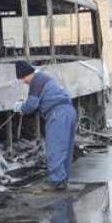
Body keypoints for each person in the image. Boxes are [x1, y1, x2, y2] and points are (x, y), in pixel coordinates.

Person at [15, 61, 79, 191]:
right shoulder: (44, 79)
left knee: (55, 148)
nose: (23, 82)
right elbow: (41, 101)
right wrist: (26, 103)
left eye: (22, 78)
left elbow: (31, 106)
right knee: (65, 148)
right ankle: (62, 179)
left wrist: (19, 107)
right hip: (69, 111)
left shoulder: (36, 81)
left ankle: (56, 181)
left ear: (27, 74)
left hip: (58, 114)